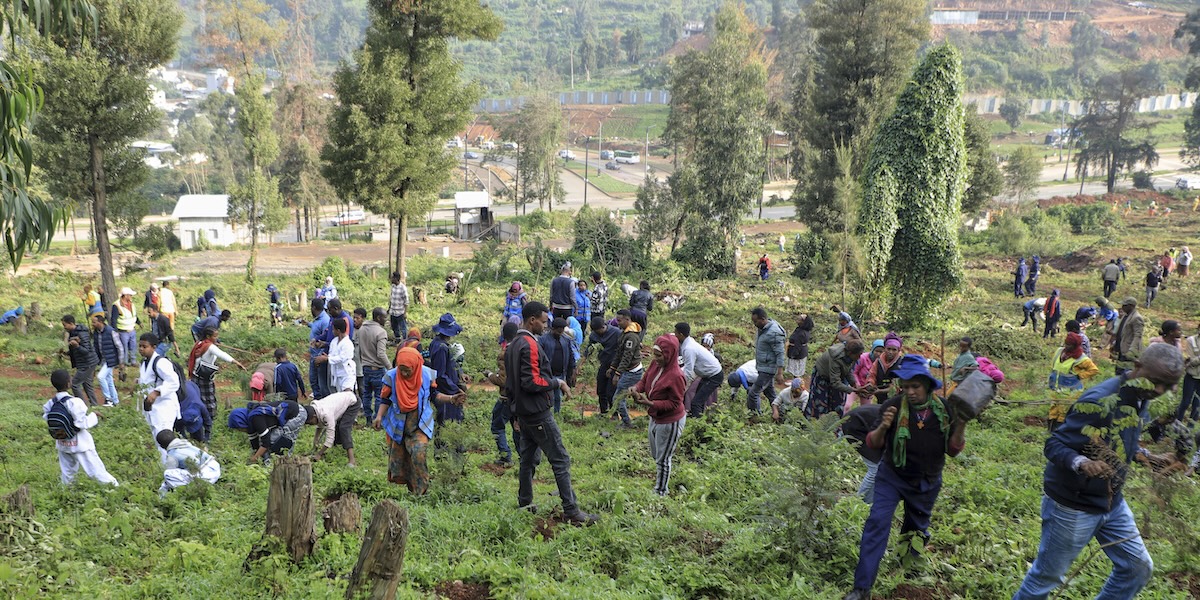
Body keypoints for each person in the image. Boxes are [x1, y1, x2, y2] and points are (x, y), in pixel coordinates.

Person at [1012, 344, 1184, 600]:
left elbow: (1122, 440)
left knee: (1138, 568)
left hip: (1112, 502)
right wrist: (1081, 462)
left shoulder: (1140, 395)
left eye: (1168, 385)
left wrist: (1147, 456)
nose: (1159, 390)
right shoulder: (1099, 400)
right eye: (1156, 381)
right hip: (1073, 505)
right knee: (1045, 580)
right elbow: (1055, 444)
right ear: (1137, 367)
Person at [844, 355, 967, 600]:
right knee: (877, 522)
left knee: (915, 530)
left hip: (926, 480)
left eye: (915, 387)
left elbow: (952, 450)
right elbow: (873, 443)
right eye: (906, 386)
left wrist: (961, 424)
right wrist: (883, 427)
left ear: (928, 385)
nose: (910, 392)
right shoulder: (893, 405)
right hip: (892, 476)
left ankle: (908, 576)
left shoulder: (944, 410)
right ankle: (862, 588)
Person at [505, 302, 598, 524]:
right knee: (560, 460)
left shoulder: (513, 345)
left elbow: (511, 384)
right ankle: (572, 511)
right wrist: (557, 382)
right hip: (537, 413)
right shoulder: (529, 345)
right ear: (532, 320)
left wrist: (515, 413)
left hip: (524, 413)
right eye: (543, 321)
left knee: (528, 460)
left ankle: (525, 502)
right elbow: (530, 381)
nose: (545, 326)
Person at [375, 346, 459, 494]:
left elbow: (435, 396)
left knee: (418, 454)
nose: (404, 373)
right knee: (401, 459)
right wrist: (379, 416)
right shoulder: (392, 377)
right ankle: (411, 488)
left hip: (419, 424)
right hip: (399, 425)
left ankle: (422, 491)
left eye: (408, 370)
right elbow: (385, 399)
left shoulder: (426, 375)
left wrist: (451, 399)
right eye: (401, 369)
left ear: (416, 366)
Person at [629, 335, 686, 496]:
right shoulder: (655, 365)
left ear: (669, 354)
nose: (656, 358)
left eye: (659, 355)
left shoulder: (677, 376)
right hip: (655, 416)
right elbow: (644, 380)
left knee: (663, 458)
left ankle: (661, 492)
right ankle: (662, 483)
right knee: (656, 454)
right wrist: (636, 388)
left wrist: (650, 404)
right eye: (655, 354)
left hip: (670, 420)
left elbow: (675, 403)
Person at [44, 369, 118, 486]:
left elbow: (48, 418)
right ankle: (113, 487)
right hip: (80, 443)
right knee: (96, 471)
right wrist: (94, 415)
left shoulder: (50, 403)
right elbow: (81, 423)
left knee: (67, 474)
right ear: (69, 383)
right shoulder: (74, 402)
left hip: (62, 443)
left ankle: (67, 493)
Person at [137, 333, 182, 463]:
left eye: (144, 346)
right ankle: (164, 465)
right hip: (153, 409)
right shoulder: (145, 362)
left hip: (164, 408)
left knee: (164, 439)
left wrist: (156, 392)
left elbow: (174, 382)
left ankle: (169, 467)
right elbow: (148, 381)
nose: (141, 349)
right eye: (139, 346)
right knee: (157, 438)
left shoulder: (161, 362)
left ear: (154, 347)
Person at [187, 327, 246, 420]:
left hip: (196, 375)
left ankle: (199, 415)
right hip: (204, 377)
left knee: (198, 396)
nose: (216, 338)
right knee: (209, 398)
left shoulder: (200, 343)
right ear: (208, 336)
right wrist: (236, 362)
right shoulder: (210, 347)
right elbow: (222, 354)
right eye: (214, 336)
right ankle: (210, 417)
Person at [1046, 333, 1101, 431]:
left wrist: (1080, 375)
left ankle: (1059, 431)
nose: (1067, 346)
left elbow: (1094, 370)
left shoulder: (1081, 358)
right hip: (1056, 386)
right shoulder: (1059, 351)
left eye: (1069, 345)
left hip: (1070, 390)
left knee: (1063, 410)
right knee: (1053, 407)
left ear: (1075, 346)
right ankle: (1050, 429)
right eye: (1066, 344)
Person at [229, 399, 308, 465]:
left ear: (241, 422)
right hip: (286, 416)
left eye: (239, 428)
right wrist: (255, 455)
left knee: (276, 440)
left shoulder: (255, 418)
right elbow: (255, 445)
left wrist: (255, 458)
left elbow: (266, 442)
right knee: (265, 444)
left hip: (297, 413)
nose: (241, 431)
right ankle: (272, 462)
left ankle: (285, 462)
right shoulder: (250, 423)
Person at [485, 323, 521, 466]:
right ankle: (523, 456)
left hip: (507, 397)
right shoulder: (521, 349)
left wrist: (489, 374)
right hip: (520, 397)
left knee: (497, 426)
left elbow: (503, 380)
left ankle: (505, 456)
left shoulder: (505, 353)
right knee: (517, 426)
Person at [675, 322, 723, 419]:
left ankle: (698, 425)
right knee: (697, 399)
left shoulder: (689, 348)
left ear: (680, 334)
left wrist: (680, 388)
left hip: (714, 376)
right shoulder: (688, 343)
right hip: (708, 375)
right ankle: (699, 419)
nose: (674, 335)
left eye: (675, 332)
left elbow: (688, 372)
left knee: (696, 403)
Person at [307, 379, 360, 466]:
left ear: (314, 416)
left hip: (353, 402)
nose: (311, 424)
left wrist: (319, 454)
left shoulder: (326, 414)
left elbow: (329, 438)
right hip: (342, 401)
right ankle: (337, 448)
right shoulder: (316, 409)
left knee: (344, 428)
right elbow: (319, 425)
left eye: (310, 423)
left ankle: (352, 460)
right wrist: (315, 441)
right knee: (338, 426)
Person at [808, 340, 866, 419]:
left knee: (838, 403)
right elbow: (835, 382)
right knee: (820, 403)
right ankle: (817, 426)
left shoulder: (851, 357)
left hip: (837, 377)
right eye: (858, 355)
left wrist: (855, 385)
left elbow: (848, 371)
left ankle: (835, 427)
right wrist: (854, 390)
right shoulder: (836, 358)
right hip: (823, 376)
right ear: (850, 353)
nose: (859, 357)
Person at [841, 403, 884, 504]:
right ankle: (858, 502)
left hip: (863, 424)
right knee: (875, 468)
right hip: (855, 427)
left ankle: (869, 500)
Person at [155, 430, 219, 496]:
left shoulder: (172, 456)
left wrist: (162, 492)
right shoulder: (186, 443)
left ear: (162, 446)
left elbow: (169, 476)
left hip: (206, 477)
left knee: (167, 474)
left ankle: (185, 491)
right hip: (215, 467)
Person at [428, 313, 466, 424]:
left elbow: (449, 364)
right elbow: (440, 374)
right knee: (448, 421)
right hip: (446, 391)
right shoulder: (441, 348)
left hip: (446, 387)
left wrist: (460, 373)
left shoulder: (437, 343)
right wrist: (455, 389)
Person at [748, 307, 786, 415]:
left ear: (763, 319)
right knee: (770, 394)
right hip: (763, 366)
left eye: (756, 321)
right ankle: (782, 414)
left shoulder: (773, 333)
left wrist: (780, 373)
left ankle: (754, 416)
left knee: (753, 393)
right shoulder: (763, 329)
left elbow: (780, 353)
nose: (754, 324)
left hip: (768, 369)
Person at [609, 309, 644, 428]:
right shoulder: (625, 333)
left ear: (627, 320)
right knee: (623, 395)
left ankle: (627, 422)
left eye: (619, 321)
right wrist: (612, 367)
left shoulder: (631, 337)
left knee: (618, 398)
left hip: (632, 371)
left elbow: (626, 357)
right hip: (628, 370)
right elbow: (619, 353)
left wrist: (617, 373)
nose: (617, 323)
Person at [358, 308, 390, 424]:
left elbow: (360, 349)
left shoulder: (362, 329)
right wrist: (390, 367)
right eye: (384, 317)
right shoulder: (381, 332)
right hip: (377, 368)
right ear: (378, 318)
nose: (386, 320)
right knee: (379, 395)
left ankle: (368, 419)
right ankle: (377, 419)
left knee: (366, 395)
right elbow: (381, 353)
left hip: (365, 367)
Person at [61, 315, 101, 407]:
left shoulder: (81, 333)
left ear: (71, 323)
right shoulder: (73, 332)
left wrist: (77, 346)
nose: (64, 327)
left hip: (88, 363)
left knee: (74, 384)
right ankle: (94, 405)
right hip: (86, 362)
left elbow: (86, 350)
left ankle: (81, 405)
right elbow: (75, 351)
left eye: (65, 325)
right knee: (87, 384)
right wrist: (66, 353)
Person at [539, 318, 576, 414]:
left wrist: (573, 370)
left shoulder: (566, 340)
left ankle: (557, 414)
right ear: (553, 329)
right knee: (548, 396)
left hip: (561, 373)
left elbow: (571, 356)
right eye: (558, 331)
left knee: (558, 396)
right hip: (548, 373)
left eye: (562, 331)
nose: (560, 333)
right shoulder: (543, 340)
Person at [586, 317, 622, 417]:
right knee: (601, 390)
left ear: (603, 326)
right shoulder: (594, 335)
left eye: (599, 331)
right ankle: (603, 413)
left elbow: (624, 347)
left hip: (615, 366)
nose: (598, 334)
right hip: (603, 364)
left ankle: (614, 414)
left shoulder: (616, 333)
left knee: (611, 392)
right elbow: (589, 349)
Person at [86, 313, 123, 407]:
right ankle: (115, 401)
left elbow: (119, 347)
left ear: (100, 322)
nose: (92, 324)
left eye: (94, 322)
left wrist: (121, 361)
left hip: (111, 359)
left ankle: (108, 399)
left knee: (101, 377)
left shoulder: (111, 331)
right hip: (103, 359)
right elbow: (95, 347)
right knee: (109, 380)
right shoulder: (96, 333)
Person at [866, 332, 905, 406]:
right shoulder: (878, 361)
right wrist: (870, 384)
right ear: (884, 349)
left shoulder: (901, 364)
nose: (890, 352)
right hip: (881, 399)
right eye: (888, 349)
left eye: (894, 350)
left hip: (897, 401)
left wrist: (880, 391)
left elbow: (896, 387)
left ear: (898, 350)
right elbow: (872, 375)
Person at [320, 317, 356, 396]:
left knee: (347, 395)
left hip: (347, 373)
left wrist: (327, 358)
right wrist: (327, 356)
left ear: (338, 330)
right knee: (339, 396)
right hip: (336, 373)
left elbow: (342, 358)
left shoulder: (348, 343)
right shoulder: (334, 341)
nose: (332, 331)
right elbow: (332, 355)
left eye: (333, 329)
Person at [303, 298, 330, 399]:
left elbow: (326, 338)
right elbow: (317, 329)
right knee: (313, 380)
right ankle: (317, 400)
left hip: (319, 356)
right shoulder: (318, 319)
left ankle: (324, 402)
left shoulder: (325, 320)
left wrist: (320, 356)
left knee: (321, 382)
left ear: (313, 308)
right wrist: (308, 324)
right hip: (314, 355)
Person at [1111, 297, 1144, 377]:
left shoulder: (1136, 318)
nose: (1122, 307)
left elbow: (1138, 335)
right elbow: (1121, 332)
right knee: (1119, 370)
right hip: (1121, 348)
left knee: (1126, 373)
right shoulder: (1125, 316)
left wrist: (1132, 350)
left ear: (1131, 306)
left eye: (1125, 305)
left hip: (1128, 350)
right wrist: (1115, 344)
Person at [174, 379, 211, 443]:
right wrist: (183, 439)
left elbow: (207, 421)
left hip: (193, 387)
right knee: (180, 434)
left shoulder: (201, 406)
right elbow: (177, 429)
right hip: (181, 392)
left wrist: (207, 439)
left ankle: (198, 439)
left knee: (199, 438)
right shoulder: (177, 412)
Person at [110, 287, 139, 366]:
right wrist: (116, 331)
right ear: (125, 295)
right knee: (124, 348)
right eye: (130, 295)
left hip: (132, 329)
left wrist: (139, 322)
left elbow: (134, 314)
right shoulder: (117, 305)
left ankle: (133, 361)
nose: (131, 297)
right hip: (123, 331)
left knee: (133, 346)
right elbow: (113, 319)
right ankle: (125, 362)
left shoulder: (131, 304)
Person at [852, 340, 884, 408]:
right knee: (847, 406)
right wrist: (857, 386)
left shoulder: (882, 363)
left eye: (881, 352)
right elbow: (854, 372)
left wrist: (871, 388)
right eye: (876, 351)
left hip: (867, 390)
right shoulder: (863, 358)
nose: (878, 354)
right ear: (872, 350)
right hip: (855, 385)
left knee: (866, 409)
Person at [1181, 323, 1200, 422]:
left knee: (1197, 405)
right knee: (1185, 402)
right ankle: (1176, 424)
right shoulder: (1191, 340)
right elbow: (1191, 361)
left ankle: (1190, 429)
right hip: (1191, 376)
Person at [786, 313, 814, 379]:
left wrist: (793, 355)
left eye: (799, 319)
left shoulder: (801, 333)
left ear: (803, 322)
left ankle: (797, 384)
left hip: (798, 354)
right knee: (797, 370)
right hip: (802, 352)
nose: (797, 320)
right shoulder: (803, 330)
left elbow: (797, 346)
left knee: (796, 370)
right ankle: (796, 382)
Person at [387, 271, 409, 340]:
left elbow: (406, 302)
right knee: (394, 327)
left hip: (400, 312)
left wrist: (405, 313)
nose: (391, 279)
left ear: (396, 278)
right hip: (393, 311)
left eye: (393, 278)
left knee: (403, 328)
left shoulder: (403, 288)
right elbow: (391, 298)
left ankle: (405, 340)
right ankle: (397, 339)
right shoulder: (393, 286)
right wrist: (389, 308)